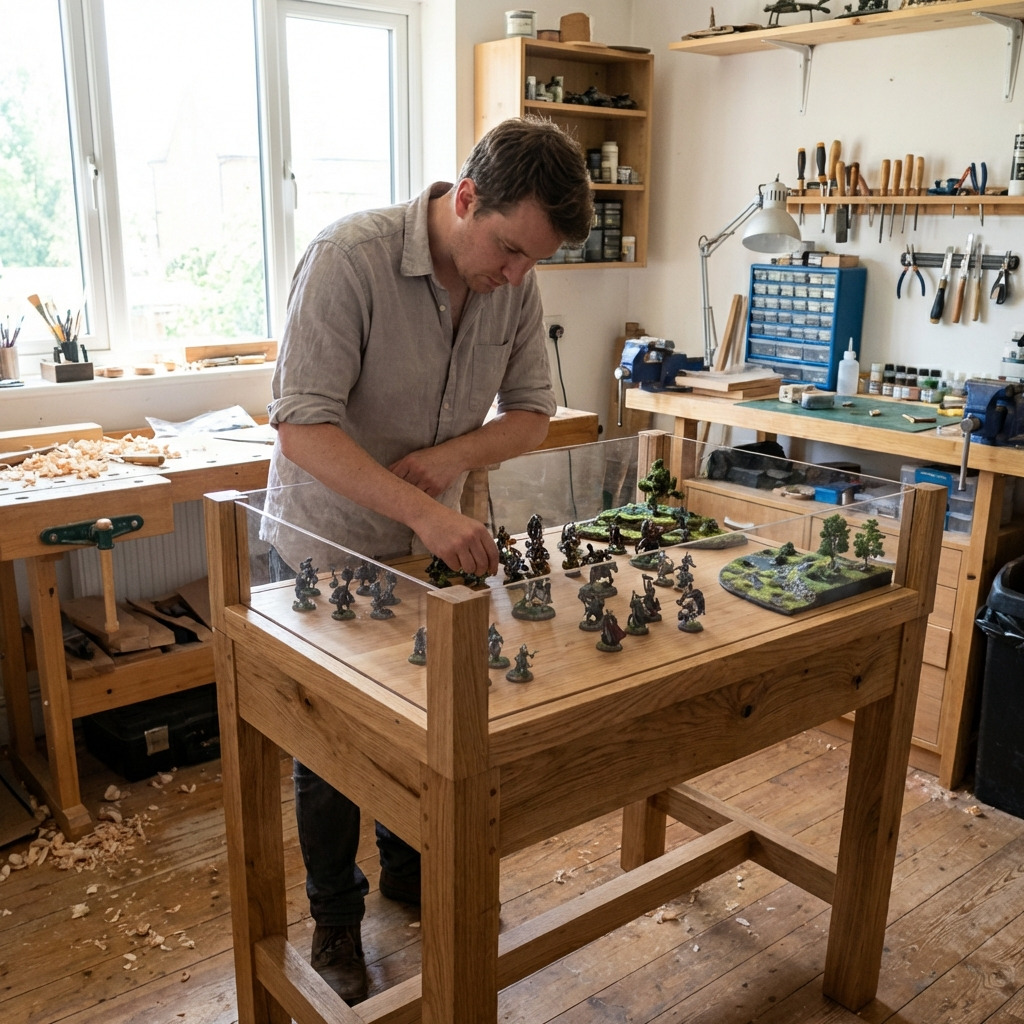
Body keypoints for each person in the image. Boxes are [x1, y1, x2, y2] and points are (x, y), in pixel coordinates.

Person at [261, 115, 593, 1004]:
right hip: (323, 546)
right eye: (511, 250)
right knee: (331, 753)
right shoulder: (350, 258)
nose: (518, 276)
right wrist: (425, 509)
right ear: (469, 197)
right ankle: (336, 919)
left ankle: (409, 869)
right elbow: (301, 428)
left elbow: (531, 415)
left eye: (534, 263)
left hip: (423, 543)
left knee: (423, 719)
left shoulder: (513, 283)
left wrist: (453, 460)